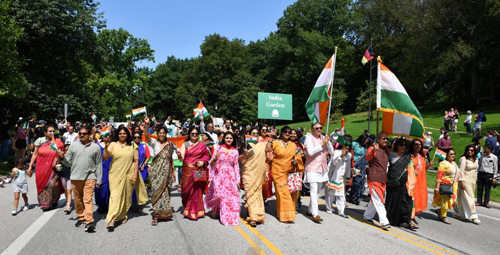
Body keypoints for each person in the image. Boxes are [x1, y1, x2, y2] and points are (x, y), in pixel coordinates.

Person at [59, 126, 102, 232]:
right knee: (78, 201)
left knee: (88, 200)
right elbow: (68, 162)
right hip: (75, 177)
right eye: (80, 133)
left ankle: (89, 221)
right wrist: (62, 158)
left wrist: (99, 179)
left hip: (90, 177)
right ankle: (81, 217)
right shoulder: (73, 146)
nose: (82, 135)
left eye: (84, 133)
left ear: (90, 135)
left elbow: (98, 165)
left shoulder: (96, 147)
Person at [102, 126, 142, 231]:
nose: (122, 135)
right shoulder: (112, 144)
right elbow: (105, 157)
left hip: (129, 174)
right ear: (117, 135)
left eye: (124, 133)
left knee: (126, 196)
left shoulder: (133, 145)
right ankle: (111, 219)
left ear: (128, 135)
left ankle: (122, 215)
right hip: (114, 174)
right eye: (120, 133)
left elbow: (136, 161)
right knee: (114, 196)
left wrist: (135, 176)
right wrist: (106, 148)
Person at [144, 117, 176, 226]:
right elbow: (146, 136)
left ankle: (165, 213)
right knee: (156, 191)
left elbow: (171, 159)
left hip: (167, 172)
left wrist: (173, 171)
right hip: (155, 171)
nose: (162, 135)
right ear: (157, 134)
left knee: (165, 192)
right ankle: (156, 215)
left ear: (166, 134)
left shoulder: (170, 145)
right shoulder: (154, 143)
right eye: (160, 133)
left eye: (163, 133)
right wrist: (147, 125)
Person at [266, 126, 301, 223]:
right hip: (277, 172)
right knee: (283, 193)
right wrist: (271, 137)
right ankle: (286, 216)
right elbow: (267, 150)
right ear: (281, 133)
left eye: (289, 132)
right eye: (285, 132)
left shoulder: (293, 145)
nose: (287, 133)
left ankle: (280, 213)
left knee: (281, 194)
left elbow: (298, 156)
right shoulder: (276, 143)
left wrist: (295, 161)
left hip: (289, 172)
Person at [204, 132, 240, 226]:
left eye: (231, 138)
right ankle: (216, 209)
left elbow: (236, 166)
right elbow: (211, 163)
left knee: (229, 196)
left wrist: (237, 179)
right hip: (219, 174)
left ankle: (228, 215)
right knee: (219, 194)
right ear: (224, 139)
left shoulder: (235, 151)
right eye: (227, 138)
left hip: (230, 176)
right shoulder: (219, 149)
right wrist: (215, 158)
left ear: (233, 140)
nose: (229, 140)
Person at [177, 126, 210, 220]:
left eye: (196, 134)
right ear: (189, 134)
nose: (194, 135)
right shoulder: (186, 144)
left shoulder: (202, 145)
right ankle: (187, 206)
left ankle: (194, 211)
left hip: (198, 170)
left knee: (197, 190)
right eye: (192, 134)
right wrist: (179, 155)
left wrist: (203, 162)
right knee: (185, 191)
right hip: (187, 170)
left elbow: (206, 157)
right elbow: (182, 158)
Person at [27, 125, 64, 211]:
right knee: (43, 185)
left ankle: (54, 200)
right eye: (50, 131)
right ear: (45, 132)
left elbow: (63, 153)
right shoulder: (40, 141)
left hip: (54, 168)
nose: (52, 133)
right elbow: (35, 154)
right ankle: (45, 204)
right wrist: (30, 166)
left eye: (53, 131)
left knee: (53, 185)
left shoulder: (57, 142)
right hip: (41, 167)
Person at [385, 138, 416, 230]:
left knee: (404, 201)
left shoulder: (407, 156)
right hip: (393, 181)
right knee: (392, 199)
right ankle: (390, 218)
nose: (403, 147)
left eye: (405, 145)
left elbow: (411, 169)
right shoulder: (390, 154)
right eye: (401, 145)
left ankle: (404, 220)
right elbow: (387, 168)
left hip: (404, 182)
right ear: (397, 145)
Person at [303, 122, 331, 223]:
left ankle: (310, 210)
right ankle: (315, 214)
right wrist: (322, 144)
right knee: (314, 191)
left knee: (318, 191)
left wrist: (328, 142)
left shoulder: (324, 137)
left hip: (322, 168)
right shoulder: (309, 138)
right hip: (312, 168)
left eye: (320, 128)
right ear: (313, 129)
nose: (319, 130)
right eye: (317, 128)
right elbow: (310, 152)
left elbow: (331, 152)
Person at [363, 132, 391, 230]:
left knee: (376, 199)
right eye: (383, 138)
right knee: (378, 200)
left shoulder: (387, 150)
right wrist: (374, 150)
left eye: (386, 139)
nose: (385, 140)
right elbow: (367, 157)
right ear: (378, 139)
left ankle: (367, 215)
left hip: (383, 179)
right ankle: (384, 221)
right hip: (374, 177)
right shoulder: (372, 148)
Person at [241, 128, 268, 227]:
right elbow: (238, 158)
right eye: (253, 133)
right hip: (248, 173)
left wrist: (272, 137)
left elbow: (268, 152)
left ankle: (257, 215)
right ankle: (252, 217)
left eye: (257, 133)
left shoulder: (262, 144)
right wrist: (244, 154)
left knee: (257, 193)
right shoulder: (245, 145)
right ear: (249, 134)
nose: (255, 135)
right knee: (250, 193)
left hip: (258, 173)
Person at [454, 145, 480, 224]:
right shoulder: (463, 159)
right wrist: (462, 181)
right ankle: (473, 216)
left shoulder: (476, 159)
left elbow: (476, 170)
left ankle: (459, 213)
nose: (470, 151)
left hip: (473, 180)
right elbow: (461, 171)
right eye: (468, 150)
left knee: (464, 197)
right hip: (466, 180)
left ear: (474, 151)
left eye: (472, 150)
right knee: (470, 198)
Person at [325, 137, 351, 218]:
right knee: (331, 194)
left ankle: (341, 211)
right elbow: (334, 162)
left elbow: (348, 166)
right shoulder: (337, 152)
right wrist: (341, 156)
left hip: (342, 178)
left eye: (348, 145)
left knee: (341, 195)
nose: (347, 146)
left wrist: (348, 176)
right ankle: (329, 207)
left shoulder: (349, 155)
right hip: (335, 176)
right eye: (345, 144)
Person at [432, 148, 459, 224]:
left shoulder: (454, 164)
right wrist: (437, 186)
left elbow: (457, 174)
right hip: (445, 185)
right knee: (445, 201)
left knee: (452, 201)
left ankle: (439, 211)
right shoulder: (443, 163)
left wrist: (457, 186)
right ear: (446, 155)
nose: (453, 155)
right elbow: (439, 175)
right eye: (451, 154)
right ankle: (444, 217)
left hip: (453, 185)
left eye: (454, 154)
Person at [409, 139, 433, 219]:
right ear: (412, 146)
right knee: (413, 196)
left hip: (421, 180)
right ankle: (411, 215)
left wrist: (428, 165)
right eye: (416, 144)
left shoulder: (422, 156)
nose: (418, 146)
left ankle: (413, 215)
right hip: (413, 179)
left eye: (420, 145)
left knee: (419, 197)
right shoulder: (410, 156)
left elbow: (423, 169)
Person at [131, 131, 150, 212]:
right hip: (132, 169)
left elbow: (148, 157)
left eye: (138, 137)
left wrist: (144, 165)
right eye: (135, 137)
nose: (137, 139)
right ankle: (132, 204)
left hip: (142, 170)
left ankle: (140, 204)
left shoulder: (145, 146)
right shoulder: (130, 146)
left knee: (140, 187)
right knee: (132, 186)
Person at [349, 134, 370, 205]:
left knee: (362, 181)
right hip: (354, 165)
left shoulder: (365, 148)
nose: (367, 141)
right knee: (355, 181)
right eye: (366, 139)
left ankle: (357, 197)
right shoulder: (355, 144)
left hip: (362, 166)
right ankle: (352, 196)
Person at [476, 144, 498, 209]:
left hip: (488, 174)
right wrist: (477, 174)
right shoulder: (482, 157)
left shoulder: (494, 157)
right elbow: (479, 166)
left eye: (486, 148)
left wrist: (494, 177)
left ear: (490, 149)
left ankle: (486, 202)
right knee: (480, 188)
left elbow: (495, 168)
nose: (485, 150)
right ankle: (479, 201)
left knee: (487, 189)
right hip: (481, 173)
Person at [95, 134, 112, 214]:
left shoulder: (113, 145)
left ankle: (107, 206)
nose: (107, 137)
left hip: (111, 169)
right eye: (106, 135)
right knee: (99, 189)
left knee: (108, 189)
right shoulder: (98, 146)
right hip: (101, 169)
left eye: (109, 135)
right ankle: (101, 205)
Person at [289, 129, 305, 212]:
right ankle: (288, 206)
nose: (293, 135)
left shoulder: (300, 145)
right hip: (288, 169)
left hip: (298, 169)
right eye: (291, 134)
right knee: (288, 188)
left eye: (294, 134)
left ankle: (295, 205)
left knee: (296, 188)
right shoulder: (285, 144)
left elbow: (304, 155)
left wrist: (301, 156)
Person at [60, 145, 73, 214]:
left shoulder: (73, 157)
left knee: (69, 190)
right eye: (65, 150)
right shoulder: (61, 157)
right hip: (63, 175)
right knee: (65, 190)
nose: (67, 151)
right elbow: (58, 165)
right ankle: (68, 201)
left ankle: (68, 206)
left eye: (68, 150)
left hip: (71, 176)